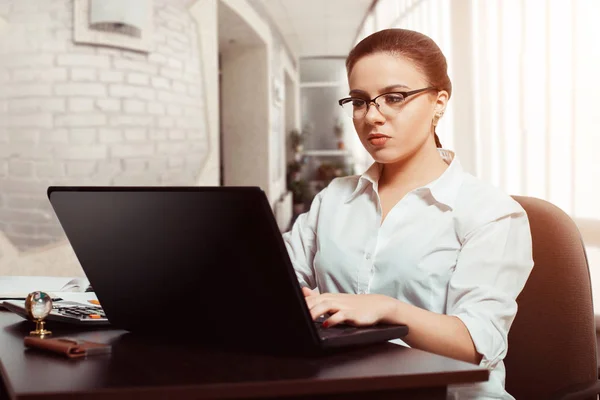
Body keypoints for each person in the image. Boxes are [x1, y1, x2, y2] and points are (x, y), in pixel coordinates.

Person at [282, 29, 534, 400]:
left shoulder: (491, 213)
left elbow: (477, 344)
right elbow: (276, 279)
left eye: (394, 98)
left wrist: (385, 308)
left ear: (439, 102)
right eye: (360, 101)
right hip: (342, 388)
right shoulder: (334, 198)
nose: (372, 117)